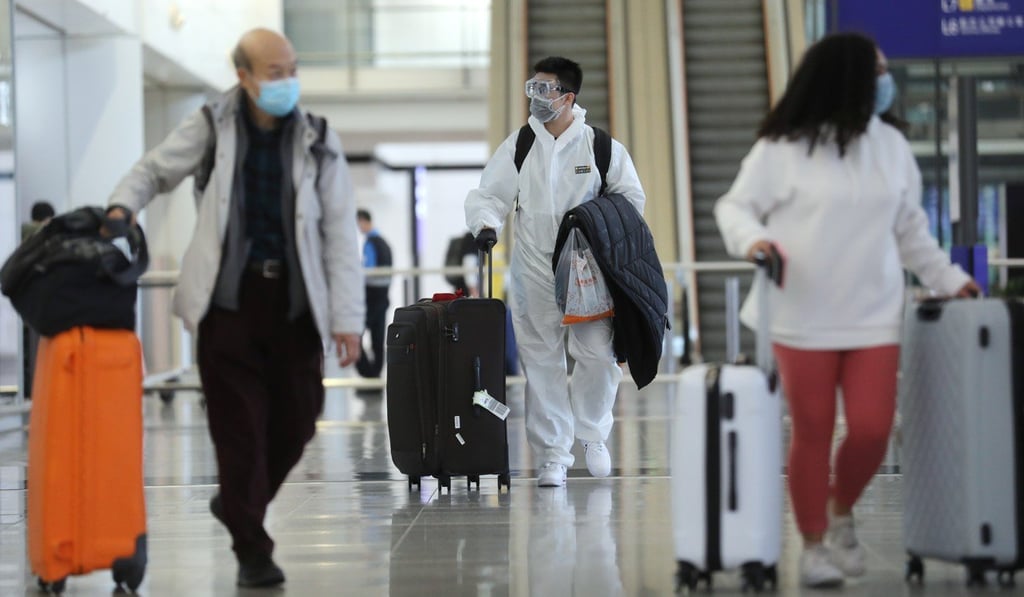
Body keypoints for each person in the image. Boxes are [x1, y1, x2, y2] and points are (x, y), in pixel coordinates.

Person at [713, 32, 980, 588]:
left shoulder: (891, 147)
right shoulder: (781, 148)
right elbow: (734, 206)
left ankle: (839, 509)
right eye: (877, 70)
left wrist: (952, 281)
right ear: (846, 78)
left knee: (872, 430)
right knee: (811, 430)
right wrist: (756, 242)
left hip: (874, 314)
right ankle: (813, 545)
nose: (886, 82)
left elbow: (912, 233)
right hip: (801, 313)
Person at [107, 28, 364, 588]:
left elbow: (341, 231)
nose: (287, 81)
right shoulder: (210, 125)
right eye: (274, 72)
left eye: (292, 68)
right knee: (239, 429)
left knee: (298, 420)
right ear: (244, 77)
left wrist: (348, 319)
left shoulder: (317, 137)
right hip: (229, 305)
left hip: (295, 306)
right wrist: (122, 210)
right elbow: (154, 170)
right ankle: (253, 549)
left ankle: (237, 505)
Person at [465, 56, 646, 488]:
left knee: (598, 355)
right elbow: (489, 194)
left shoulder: (599, 148)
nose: (537, 98)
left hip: (588, 272)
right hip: (533, 272)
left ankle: (593, 434)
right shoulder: (521, 145)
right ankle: (553, 456)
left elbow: (631, 199)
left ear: (568, 97)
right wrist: (486, 224)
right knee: (541, 361)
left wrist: (600, 226)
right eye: (533, 88)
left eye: (546, 90)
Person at [19, 200, 56, 398]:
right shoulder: (43, 236)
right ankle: (34, 390)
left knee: (25, 349)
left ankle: (27, 388)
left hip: (21, 302)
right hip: (39, 302)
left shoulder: (20, 235)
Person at [355, 209, 392, 379]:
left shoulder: (371, 243)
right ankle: (375, 375)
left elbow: (367, 271)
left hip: (371, 296)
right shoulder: (384, 242)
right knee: (378, 338)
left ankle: (368, 374)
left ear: (363, 221)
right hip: (383, 297)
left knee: (356, 332)